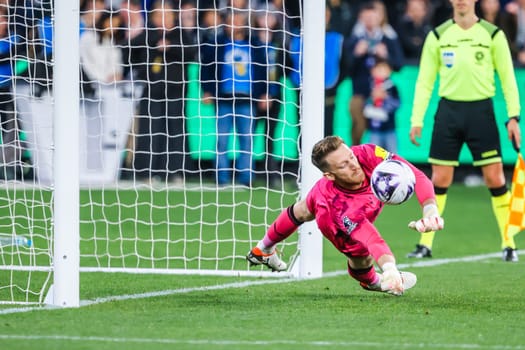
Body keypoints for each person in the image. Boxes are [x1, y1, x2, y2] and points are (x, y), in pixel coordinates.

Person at [247, 136, 444, 295]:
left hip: (325, 193)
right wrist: (390, 269)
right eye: (343, 166)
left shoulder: (367, 153)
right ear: (330, 175)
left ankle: (262, 249)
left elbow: (416, 174)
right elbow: (372, 239)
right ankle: (374, 283)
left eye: (350, 156)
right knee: (361, 257)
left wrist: (430, 210)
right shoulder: (341, 211)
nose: (354, 165)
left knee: (302, 210)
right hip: (331, 215)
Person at [407, 0, 522, 262]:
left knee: (495, 178)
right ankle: (425, 244)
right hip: (448, 113)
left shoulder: (493, 34)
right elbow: (425, 81)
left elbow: (507, 78)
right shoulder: (437, 35)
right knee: (440, 179)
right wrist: (417, 119)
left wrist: (513, 117)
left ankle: (508, 243)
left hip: (481, 113)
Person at [131, 0, 197, 185]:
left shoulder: (180, 35)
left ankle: (175, 172)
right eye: (159, 14)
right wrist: (153, 41)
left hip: (175, 91)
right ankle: (146, 173)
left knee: (175, 132)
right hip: (151, 90)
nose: (163, 18)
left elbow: (191, 53)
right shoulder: (147, 35)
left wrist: (171, 46)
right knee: (149, 131)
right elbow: (129, 50)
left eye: (166, 14)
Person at [200, 9, 267, 187]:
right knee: (222, 140)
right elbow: (206, 69)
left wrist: (264, 93)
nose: (235, 24)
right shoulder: (217, 43)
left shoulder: (255, 44)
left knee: (247, 140)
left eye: (238, 20)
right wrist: (206, 90)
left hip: (247, 100)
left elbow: (263, 70)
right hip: (223, 99)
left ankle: (246, 179)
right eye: (232, 20)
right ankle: (221, 179)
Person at [345, 1, 404, 146]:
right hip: (360, 95)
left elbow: (399, 65)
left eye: (373, 17)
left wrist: (386, 55)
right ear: (361, 18)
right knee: (358, 130)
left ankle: (385, 164)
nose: (370, 21)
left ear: (379, 17)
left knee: (384, 132)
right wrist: (357, 54)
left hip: (382, 95)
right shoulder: (354, 39)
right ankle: (355, 158)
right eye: (367, 18)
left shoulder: (388, 38)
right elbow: (347, 69)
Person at [364, 58, 400, 153]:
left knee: (392, 153)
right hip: (374, 129)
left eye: (384, 69)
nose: (381, 72)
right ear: (372, 71)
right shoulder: (369, 86)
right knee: (373, 153)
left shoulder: (391, 87)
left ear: (389, 71)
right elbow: (364, 106)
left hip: (389, 128)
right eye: (378, 69)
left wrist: (385, 97)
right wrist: (372, 98)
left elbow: (397, 104)